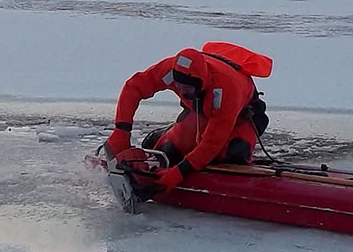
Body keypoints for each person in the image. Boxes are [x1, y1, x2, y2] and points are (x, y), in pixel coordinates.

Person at [105, 43, 271, 194]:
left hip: (239, 119)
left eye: (188, 88)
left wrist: (177, 174)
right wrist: (122, 130)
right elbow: (134, 88)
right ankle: (159, 137)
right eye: (180, 86)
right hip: (199, 115)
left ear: (202, 82)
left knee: (232, 156)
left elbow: (212, 143)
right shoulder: (171, 71)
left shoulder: (224, 91)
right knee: (168, 151)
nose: (183, 92)